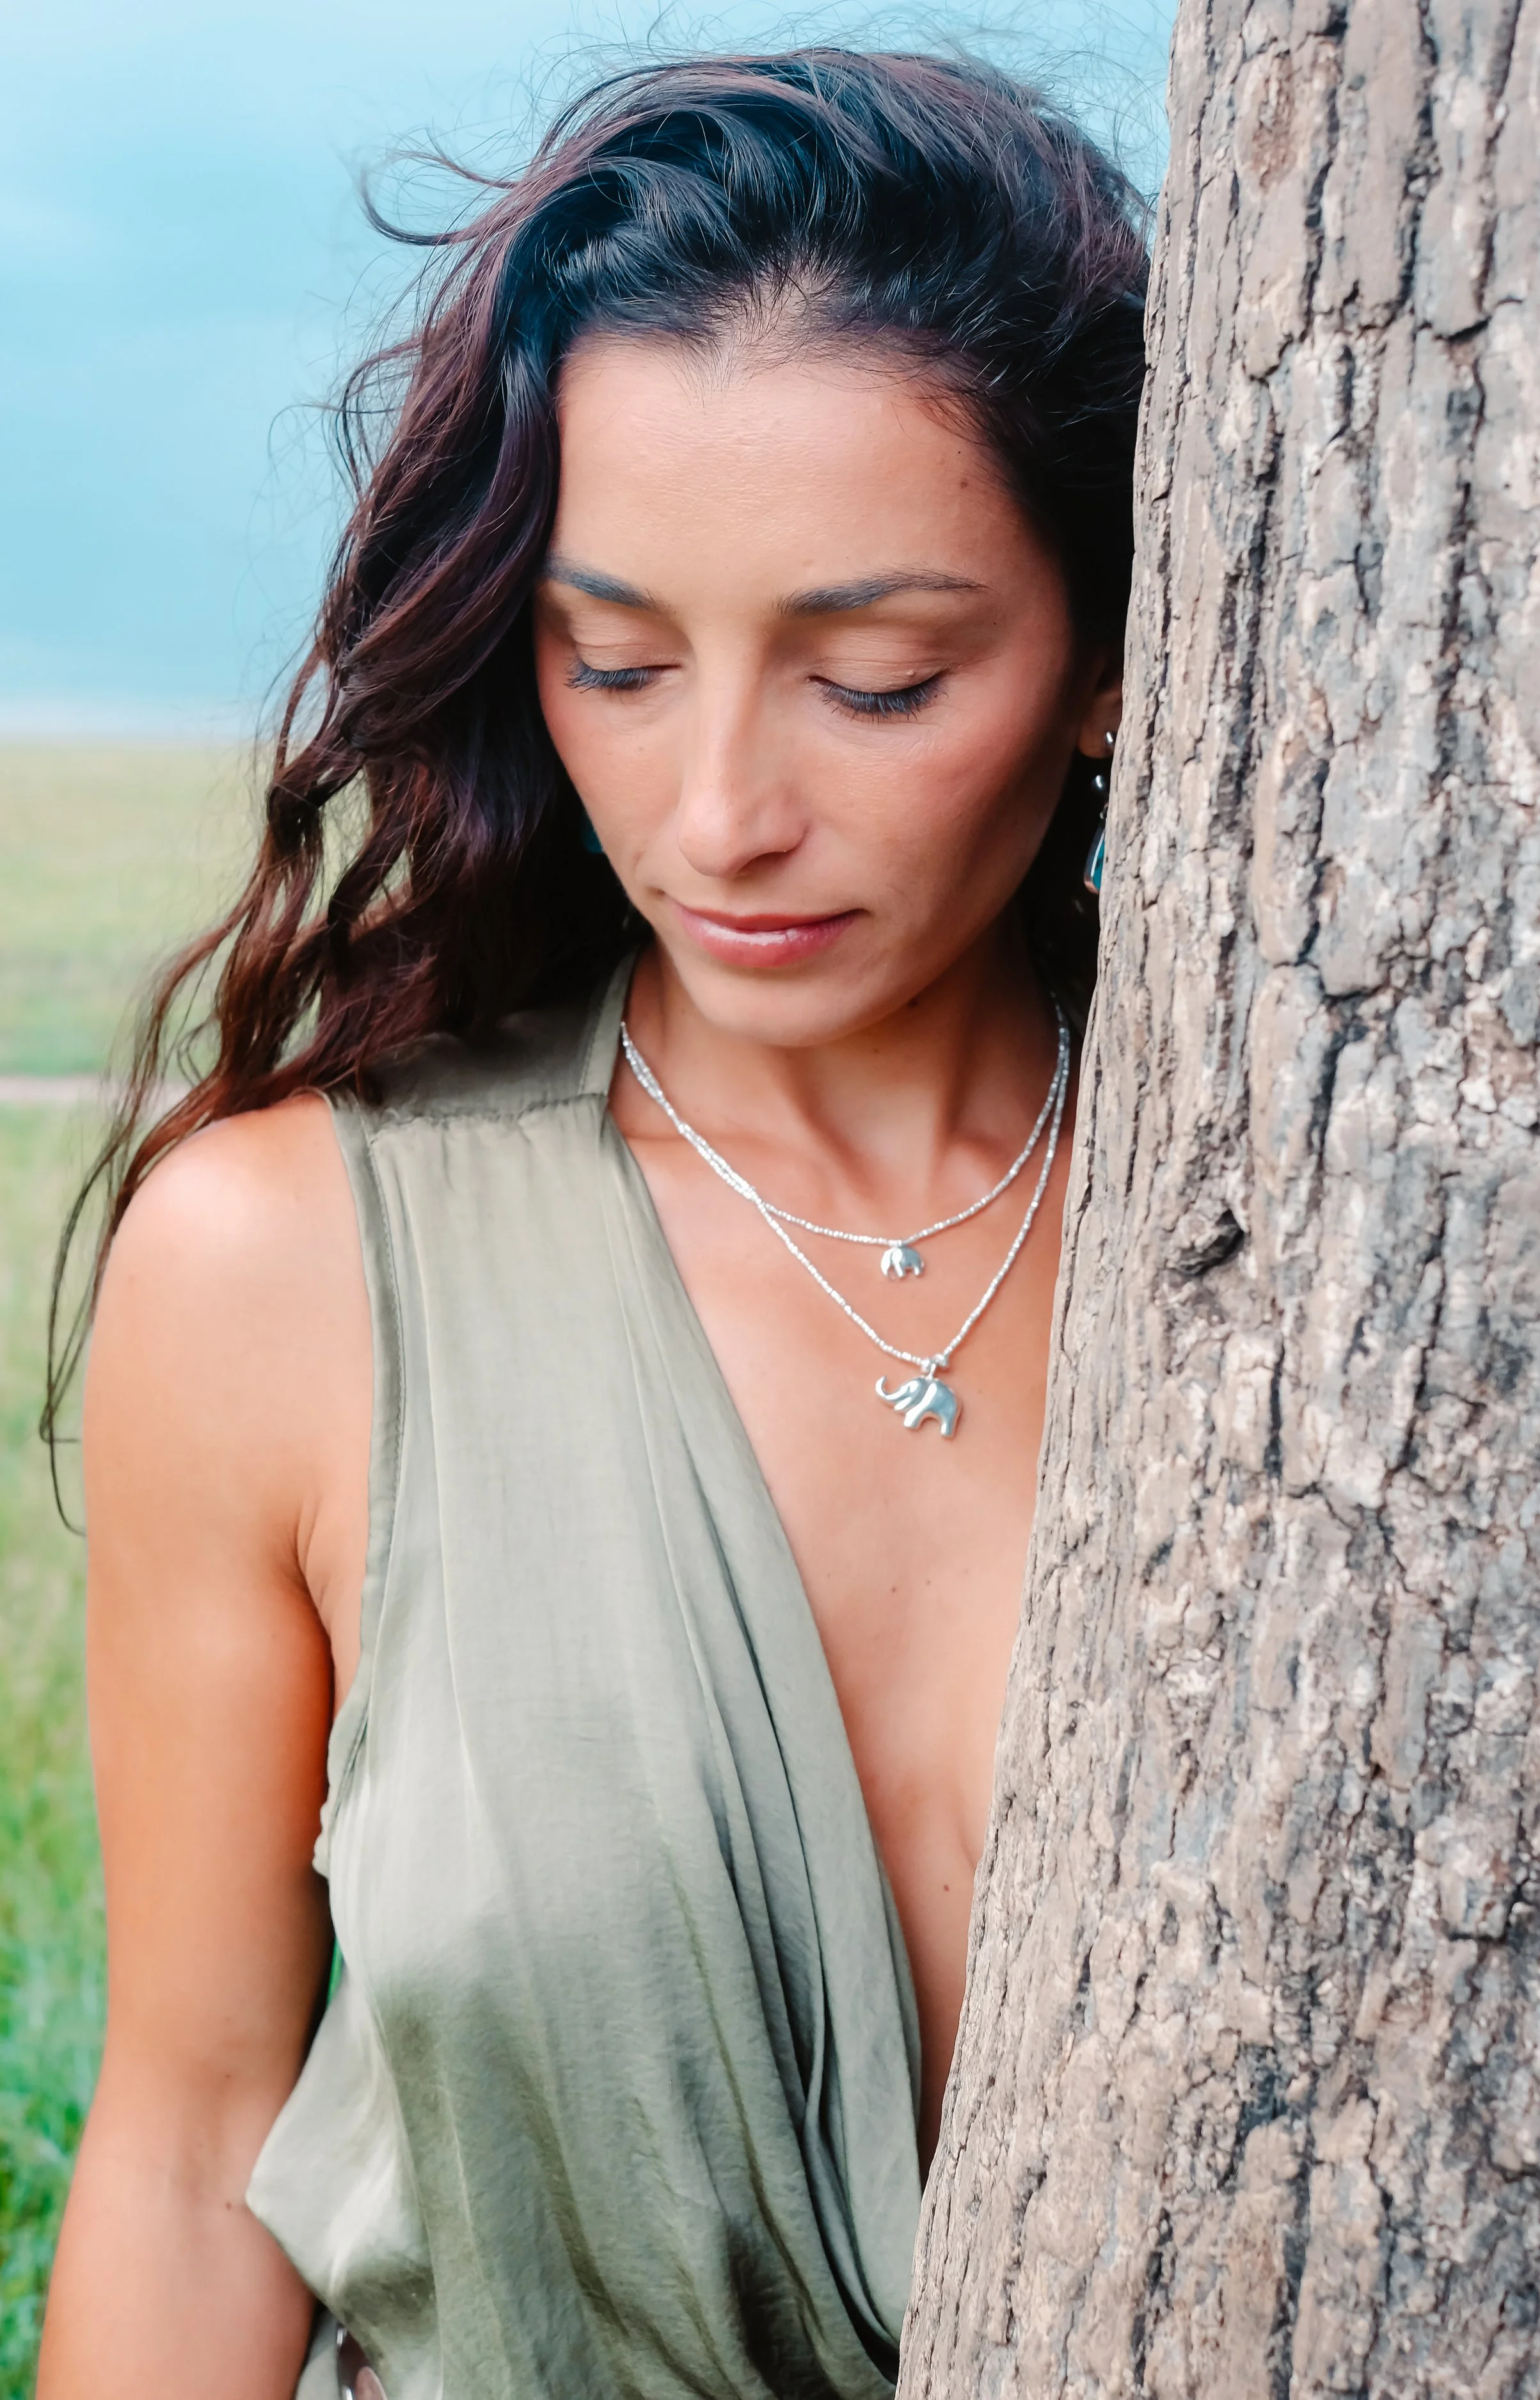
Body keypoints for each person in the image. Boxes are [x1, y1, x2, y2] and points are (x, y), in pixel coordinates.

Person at [38, 49, 1147, 2400]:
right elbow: (189, 2130)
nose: (720, 804)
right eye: (612, 661)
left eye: (879, 677)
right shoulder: (291, 1269)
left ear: (1116, 668)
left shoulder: (1350, 1276)